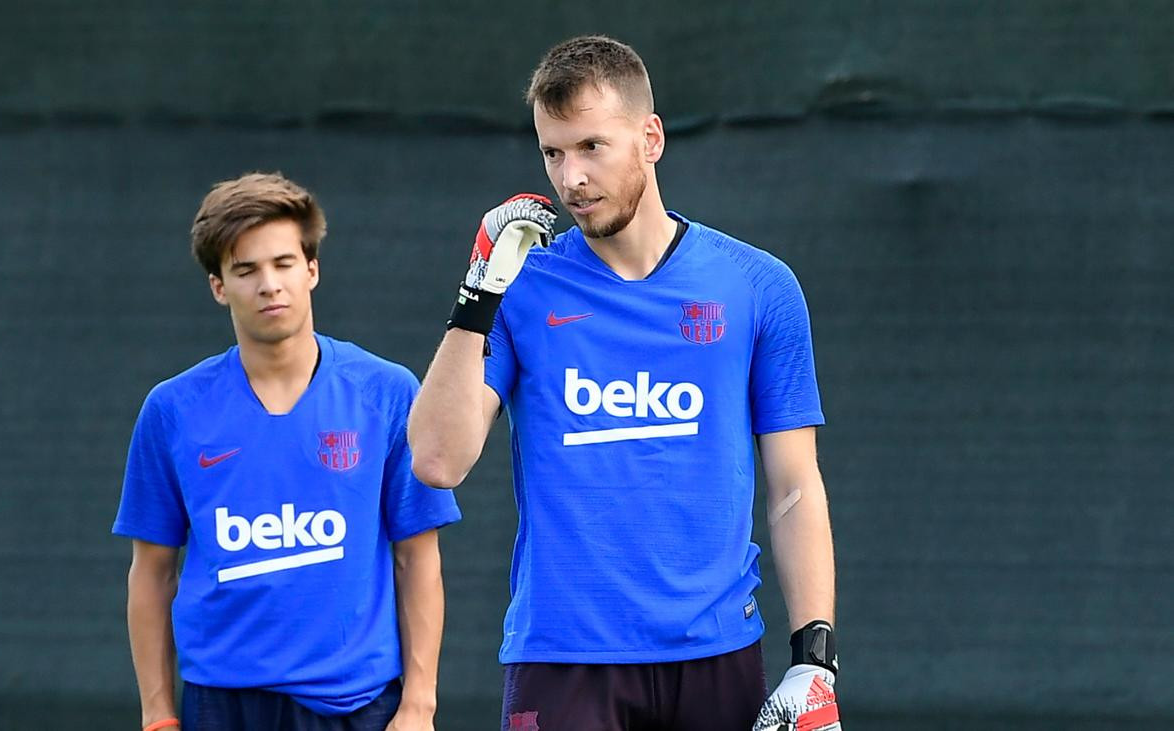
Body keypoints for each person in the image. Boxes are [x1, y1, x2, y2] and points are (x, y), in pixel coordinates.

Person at [408, 36, 839, 731]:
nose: (570, 177)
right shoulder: (521, 287)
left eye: (591, 147)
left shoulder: (759, 285)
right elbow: (435, 460)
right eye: (553, 153)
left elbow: (794, 485)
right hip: (563, 656)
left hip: (717, 653)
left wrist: (814, 658)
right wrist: (478, 293)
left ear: (651, 138)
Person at [113, 172, 461, 731]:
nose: (269, 285)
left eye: (283, 263)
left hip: (358, 707)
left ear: (312, 269)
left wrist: (419, 704)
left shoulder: (388, 393)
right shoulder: (172, 410)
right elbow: (152, 573)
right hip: (221, 706)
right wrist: (157, 715)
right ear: (218, 286)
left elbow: (417, 557)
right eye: (245, 270)